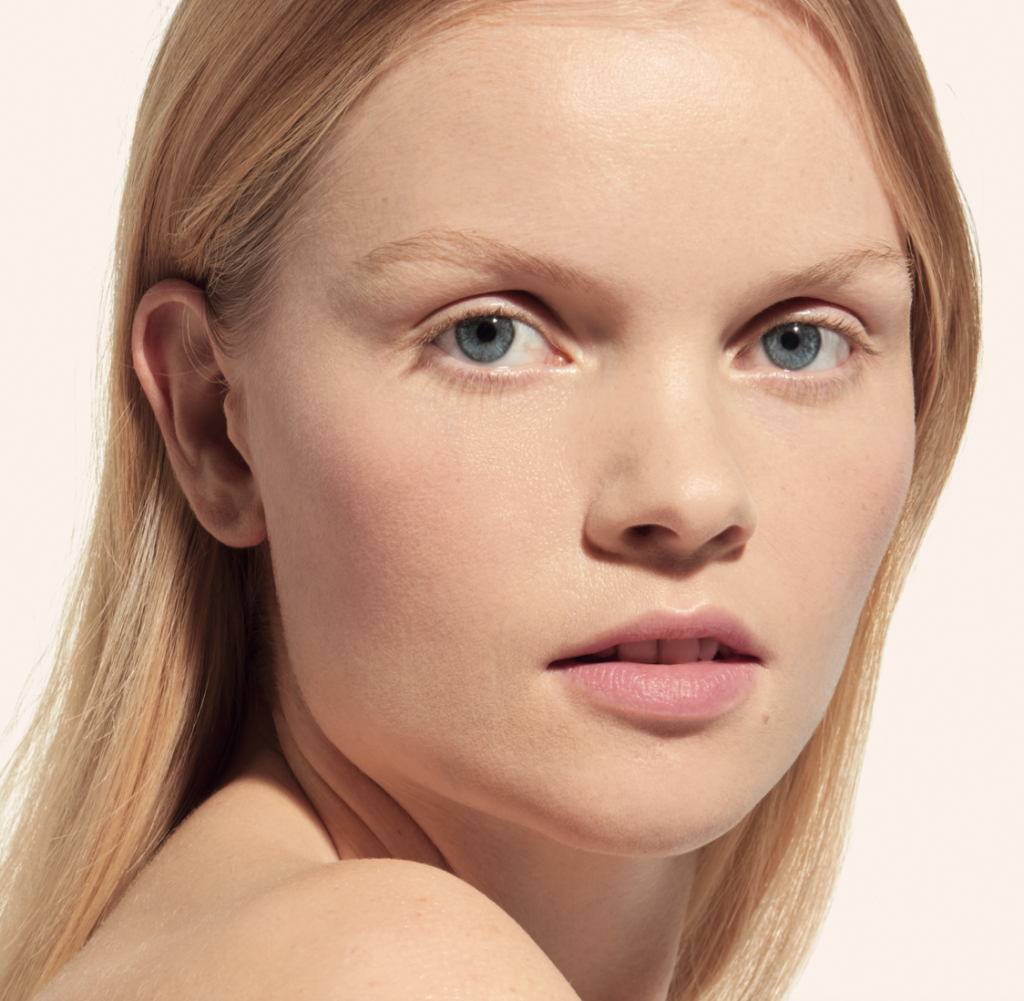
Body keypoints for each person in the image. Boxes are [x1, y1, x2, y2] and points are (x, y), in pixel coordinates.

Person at [0, 0, 980, 998]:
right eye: (490, 336)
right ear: (213, 420)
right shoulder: (390, 971)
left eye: (797, 342)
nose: (689, 496)